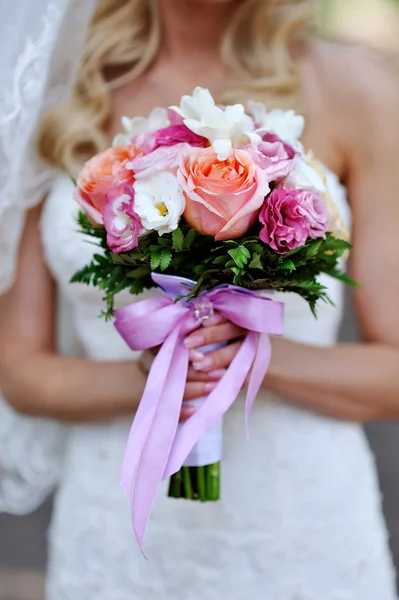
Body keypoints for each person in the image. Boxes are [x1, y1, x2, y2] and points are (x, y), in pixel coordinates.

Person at [0, 0, 399, 598]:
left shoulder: (352, 87)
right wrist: (156, 375)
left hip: (298, 535)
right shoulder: (60, 94)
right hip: (115, 538)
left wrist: (246, 356)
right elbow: (20, 372)